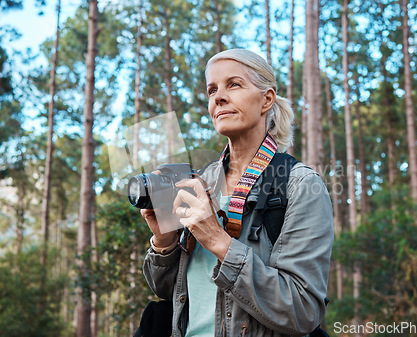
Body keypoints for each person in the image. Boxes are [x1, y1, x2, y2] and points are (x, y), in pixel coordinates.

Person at [140, 49, 334, 337]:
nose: (218, 97)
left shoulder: (301, 185)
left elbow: (303, 311)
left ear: (266, 99)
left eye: (234, 84)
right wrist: (165, 242)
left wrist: (219, 241)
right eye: (211, 89)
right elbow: (172, 290)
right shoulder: (200, 182)